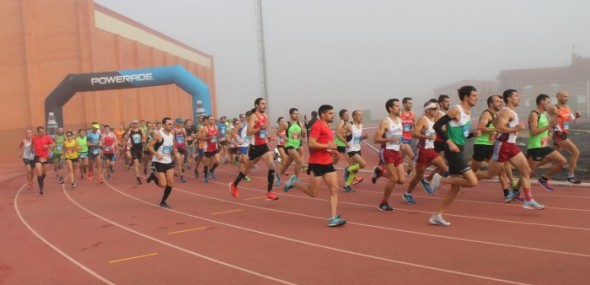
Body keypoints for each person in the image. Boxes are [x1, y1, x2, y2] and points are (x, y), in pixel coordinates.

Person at [476, 89, 545, 210]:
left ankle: (528, 200)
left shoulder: (509, 112)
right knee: (490, 174)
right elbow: (499, 128)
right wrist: (516, 128)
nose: (519, 98)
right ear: (509, 99)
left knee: (526, 171)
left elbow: (496, 122)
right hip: (502, 145)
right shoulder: (506, 112)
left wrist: (514, 128)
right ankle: (466, 177)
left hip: (511, 145)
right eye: (516, 96)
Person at [283, 104, 347, 227]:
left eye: (333, 113)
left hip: (327, 161)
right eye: (330, 113)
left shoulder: (327, 126)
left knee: (335, 188)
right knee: (314, 193)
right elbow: (312, 143)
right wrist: (329, 146)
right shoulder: (317, 125)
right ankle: (294, 181)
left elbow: (324, 143)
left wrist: (332, 151)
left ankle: (333, 218)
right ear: (323, 114)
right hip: (316, 162)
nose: (333, 115)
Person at [428, 86, 480, 226]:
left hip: (460, 149)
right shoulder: (456, 109)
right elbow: (437, 126)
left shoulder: (468, 111)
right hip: (453, 151)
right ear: (466, 97)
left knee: (456, 189)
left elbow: (462, 133)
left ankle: (436, 215)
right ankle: (441, 179)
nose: (477, 98)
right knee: (473, 181)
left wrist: (472, 134)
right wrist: (449, 142)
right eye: (474, 95)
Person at [229, 98, 279, 200]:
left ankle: (269, 192)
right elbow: (249, 132)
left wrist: (267, 136)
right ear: (257, 105)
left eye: (265, 104)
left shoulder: (265, 116)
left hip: (263, 146)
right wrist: (260, 128)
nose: (264, 105)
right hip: (254, 148)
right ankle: (234, 185)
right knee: (246, 170)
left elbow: (264, 130)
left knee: (271, 166)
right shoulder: (253, 117)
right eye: (262, 104)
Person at [471, 95, 518, 203]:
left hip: (493, 145)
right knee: (473, 171)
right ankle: (458, 183)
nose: (500, 103)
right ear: (491, 104)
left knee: (501, 170)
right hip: (482, 145)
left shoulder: (500, 114)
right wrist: (497, 129)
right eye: (497, 101)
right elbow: (481, 128)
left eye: (501, 101)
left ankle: (507, 194)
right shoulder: (487, 114)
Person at [402, 102, 448, 204]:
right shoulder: (423, 120)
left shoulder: (434, 120)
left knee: (444, 168)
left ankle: (429, 182)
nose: (436, 110)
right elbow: (414, 134)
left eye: (436, 109)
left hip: (431, 150)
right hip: (422, 151)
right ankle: (407, 193)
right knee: (418, 175)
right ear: (427, 110)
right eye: (433, 109)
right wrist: (427, 137)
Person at [526, 94, 566, 191]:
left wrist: (549, 133)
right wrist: (549, 125)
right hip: (535, 147)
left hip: (544, 146)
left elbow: (547, 129)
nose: (549, 104)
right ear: (541, 102)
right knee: (529, 173)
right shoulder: (534, 114)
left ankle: (544, 179)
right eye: (548, 102)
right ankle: (515, 190)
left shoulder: (544, 114)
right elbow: (533, 131)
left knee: (562, 161)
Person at [373, 99, 406, 211]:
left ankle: (380, 172)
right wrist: (390, 139)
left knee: (401, 180)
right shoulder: (385, 122)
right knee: (393, 179)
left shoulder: (400, 120)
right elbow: (376, 139)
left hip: (396, 152)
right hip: (387, 151)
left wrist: (401, 143)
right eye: (396, 106)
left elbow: (398, 136)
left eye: (399, 105)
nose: (399, 108)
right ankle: (383, 203)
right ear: (390, 108)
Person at [548, 91, 582, 183]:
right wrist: (557, 131)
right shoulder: (555, 108)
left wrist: (577, 117)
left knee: (553, 158)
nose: (566, 98)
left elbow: (572, 121)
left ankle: (535, 170)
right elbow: (552, 122)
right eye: (564, 96)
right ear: (558, 97)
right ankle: (571, 176)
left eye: (567, 97)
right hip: (559, 135)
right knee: (576, 152)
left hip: (564, 133)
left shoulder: (567, 108)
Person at [146, 117, 176, 208]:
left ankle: (163, 202)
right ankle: (153, 177)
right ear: (164, 125)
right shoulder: (159, 135)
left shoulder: (172, 135)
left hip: (168, 160)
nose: (171, 125)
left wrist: (173, 152)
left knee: (170, 182)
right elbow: (149, 146)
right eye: (169, 124)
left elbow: (170, 146)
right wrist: (156, 154)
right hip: (158, 161)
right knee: (163, 185)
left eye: (172, 124)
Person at [342, 110, 369, 192]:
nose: (361, 116)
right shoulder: (349, 125)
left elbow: (357, 139)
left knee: (355, 170)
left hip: (357, 148)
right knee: (363, 164)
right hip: (351, 149)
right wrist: (345, 142)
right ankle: (347, 169)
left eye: (361, 115)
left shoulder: (360, 125)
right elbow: (339, 133)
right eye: (359, 115)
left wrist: (363, 137)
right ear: (354, 116)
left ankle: (346, 185)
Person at [278, 108, 306, 181]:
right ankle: (295, 178)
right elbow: (277, 132)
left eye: (298, 114)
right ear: (291, 114)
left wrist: (304, 133)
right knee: (299, 161)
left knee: (287, 163)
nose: (297, 115)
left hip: (296, 145)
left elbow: (302, 136)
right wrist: (284, 137)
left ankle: (279, 175)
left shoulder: (301, 124)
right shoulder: (286, 124)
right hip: (289, 145)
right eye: (295, 114)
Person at [31, 126, 54, 195]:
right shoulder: (34, 138)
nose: (42, 133)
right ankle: (41, 188)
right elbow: (32, 145)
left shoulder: (47, 137)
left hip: (45, 157)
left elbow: (53, 144)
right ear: (37, 132)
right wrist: (32, 148)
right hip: (37, 157)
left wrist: (49, 146)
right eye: (40, 132)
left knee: (44, 173)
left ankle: (41, 180)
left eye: (43, 131)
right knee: (39, 172)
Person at [199, 115, 221, 183]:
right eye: (211, 119)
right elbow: (202, 138)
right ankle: (205, 176)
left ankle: (211, 170)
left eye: (213, 119)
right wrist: (209, 138)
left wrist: (219, 141)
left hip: (215, 147)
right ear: (208, 120)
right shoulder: (205, 128)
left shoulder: (216, 128)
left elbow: (218, 136)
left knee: (218, 161)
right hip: (207, 148)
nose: (212, 120)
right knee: (206, 164)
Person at [124, 119, 145, 184]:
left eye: (136, 123)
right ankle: (138, 177)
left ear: (138, 124)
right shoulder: (130, 131)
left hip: (140, 149)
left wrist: (143, 140)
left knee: (139, 164)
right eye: (134, 123)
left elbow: (144, 137)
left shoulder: (141, 130)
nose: (135, 124)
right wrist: (128, 144)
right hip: (133, 149)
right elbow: (125, 139)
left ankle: (131, 164)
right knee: (136, 162)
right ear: (132, 124)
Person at [400, 97, 416, 176]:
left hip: (409, 138)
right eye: (409, 103)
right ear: (404, 104)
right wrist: (400, 141)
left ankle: (381, 172)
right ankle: (414, 174)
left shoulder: (412, 114)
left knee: (400, 159)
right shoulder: (400, 114)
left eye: (411, 104)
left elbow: (414, 124)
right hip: (402, 139)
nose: (411, 105)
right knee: (411, 155)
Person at [172, 118, 188, 183]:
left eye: (181, 122)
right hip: (176, 147)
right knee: (179, 160)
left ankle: (175, 169)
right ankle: (181, 176)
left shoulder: (183, 129)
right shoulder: (173, 130)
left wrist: (186, 142)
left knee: (181, 162)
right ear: (176, 123)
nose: (181, 123)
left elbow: (185, 137)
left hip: (182, 147)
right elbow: (172, 140)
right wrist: (174, 148)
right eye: (179, 122)